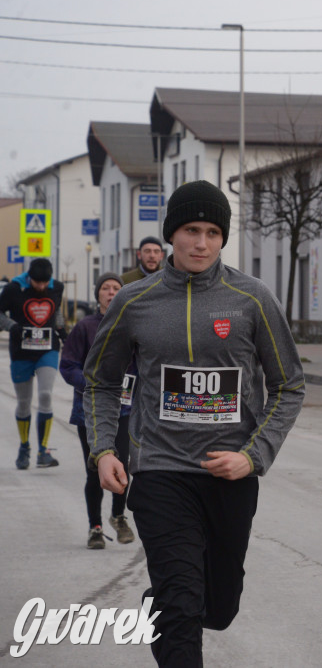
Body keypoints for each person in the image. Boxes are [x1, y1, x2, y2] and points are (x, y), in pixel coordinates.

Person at [84, 180, 306, 666]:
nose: (201, 243)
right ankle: (170, 608)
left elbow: (289, 386)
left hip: (229, 475)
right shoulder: (134, 302)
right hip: (161, 472)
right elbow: (100, 382)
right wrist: (103, 450)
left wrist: (253, 456)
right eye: (189, 230)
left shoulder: (252, 299)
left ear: (223, 237)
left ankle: (161, 608)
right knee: (181, 601)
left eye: (211, 232)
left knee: (217, 608)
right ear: (171, 234)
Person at [59, 272, 136, 549]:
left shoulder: (132, 325)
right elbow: (67, 366)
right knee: (95, 470)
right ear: (98, 294)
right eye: (106, 288)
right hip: (88, 411)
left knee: (122, 465)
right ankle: (95, 527)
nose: (111, 292)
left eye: (117, 287)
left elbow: (142, 367)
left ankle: (118, 516)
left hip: (125, 410)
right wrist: (92, 383)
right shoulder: (85, 327)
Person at [0, 257, 66, 469]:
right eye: (37, 283)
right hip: (21, 352)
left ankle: (43, 451)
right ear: (30, 278)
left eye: (45, 283)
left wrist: (63, 331)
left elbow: (55, 311)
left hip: (48, 350)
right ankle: (24, 447)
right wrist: (11, 326)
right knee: (23, 402)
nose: (41, 287)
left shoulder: (57, 287)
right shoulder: (14, 289)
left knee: (46, 395)